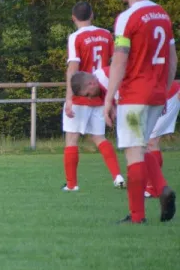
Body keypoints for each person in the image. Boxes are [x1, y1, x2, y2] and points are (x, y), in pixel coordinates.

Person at [103, 0, 177, 224]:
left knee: (133, 151)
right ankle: (163, 188)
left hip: (134, 97)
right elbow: (172, 59)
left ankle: (137, 216)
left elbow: (120, 61)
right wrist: (165, 91)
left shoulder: (127, 17)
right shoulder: (163, 15)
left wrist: (108, 97)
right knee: (142, 147)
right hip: (157, 93)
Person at [71, 69, 179, 198]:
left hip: (164, 95)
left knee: (149, 141)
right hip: (153, 96)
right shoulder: (100, 78)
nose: (89, 98)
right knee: (145, 142)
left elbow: (125, 97)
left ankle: (153, 188)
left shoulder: (105, 80)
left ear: (90, 84)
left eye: (88, 94)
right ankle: (152, 186)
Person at [62, 1, 125, 191]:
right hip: (101, 93)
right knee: (99, 137)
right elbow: (116, 63)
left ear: (73, 18)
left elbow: (73, 68)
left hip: (82, 93)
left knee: (72, 138)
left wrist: (69, 98)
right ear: (92, 15)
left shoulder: (75, 37)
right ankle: (117, 176)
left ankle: (72, 185)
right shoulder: (107, 35)